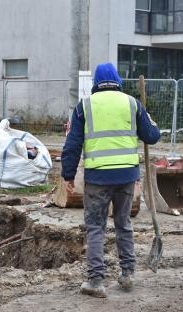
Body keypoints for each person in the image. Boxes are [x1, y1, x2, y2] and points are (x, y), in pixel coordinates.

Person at [61, 63, 160, 298]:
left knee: (96, 227)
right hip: (127, 177)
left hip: (97, 178)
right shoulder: (131, 103)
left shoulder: (84, 106)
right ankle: (128, 274)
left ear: (96, 82)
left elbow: (72, 145)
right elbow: (152, 136)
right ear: (117, 80)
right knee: (123, 223)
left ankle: (96, 282)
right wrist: (150, 120)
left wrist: (68, 175)